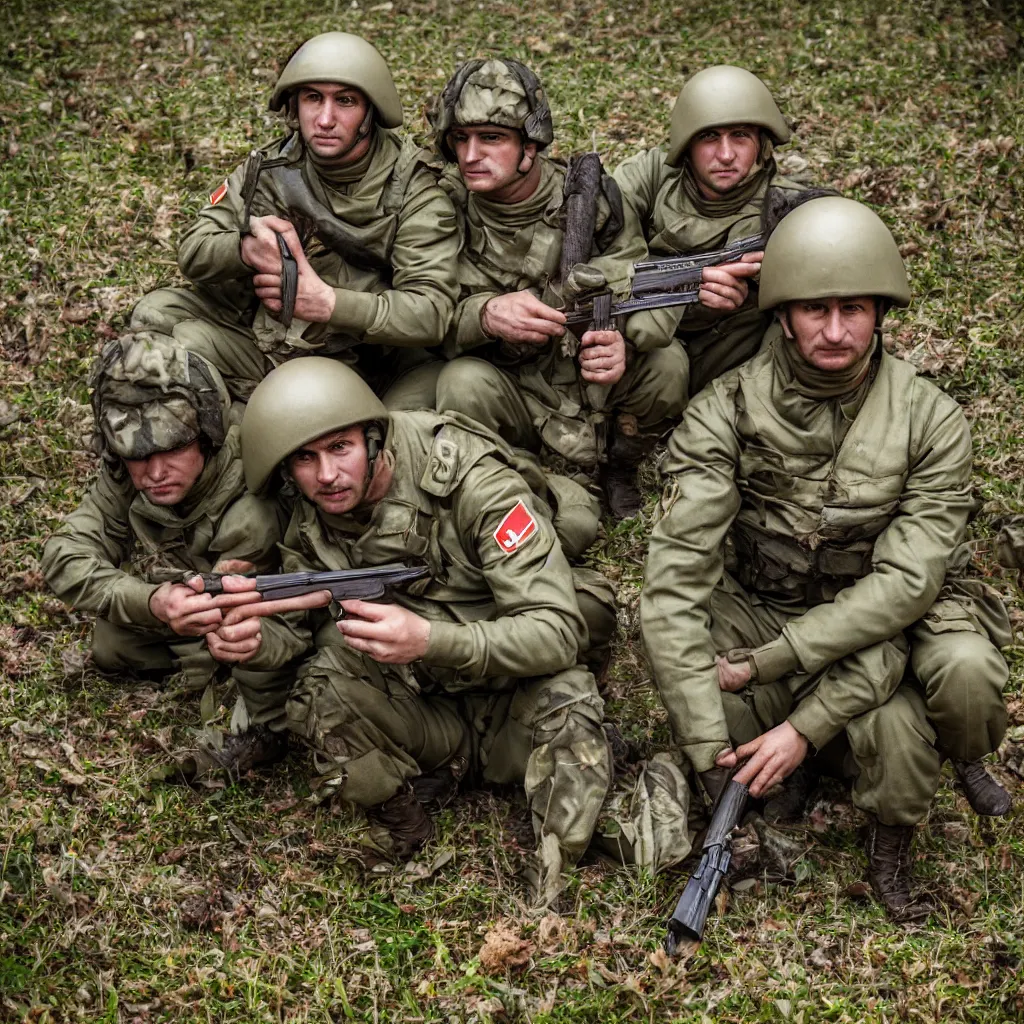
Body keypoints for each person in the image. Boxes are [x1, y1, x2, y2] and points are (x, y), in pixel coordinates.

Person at [640, 197, 1011, 923]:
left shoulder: (931, 418)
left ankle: (940, 765)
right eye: (815, 310)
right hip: (764, 592)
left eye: (854, 309)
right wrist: (715, 752)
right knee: (704, 693)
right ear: (780, 314)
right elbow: (674, 580)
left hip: (892, 603)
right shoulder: (727, 409)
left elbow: (906, 586)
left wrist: (774, 665)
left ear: (881, 312)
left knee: (957, 685)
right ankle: (806, 757)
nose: (835, 331)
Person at [131, 32, 459, 406]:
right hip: (271, 332)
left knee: (193, 345)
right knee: (154, 313)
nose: (324, 119)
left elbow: (431, 313)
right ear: (294, 103)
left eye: (346, 101)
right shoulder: (272, 167)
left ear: (372, 111)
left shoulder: (413, 188)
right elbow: (193, 250)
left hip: (362, 359)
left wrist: (330, 303)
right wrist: (247, 249)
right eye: (313, 98)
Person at [428, 58, 689, 517]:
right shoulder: (439, 202)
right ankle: (511, 473)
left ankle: (619, 466)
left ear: (530, 145)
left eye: (491, 138)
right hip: (507, 377)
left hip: (581, 371)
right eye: (460, 139)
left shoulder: (589, 199)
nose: (471, 155)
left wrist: (618, 338)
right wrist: (484, 314)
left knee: (667, 365)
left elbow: (634, 272)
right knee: (460, 383)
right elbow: (419, 306)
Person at [41, 332, 300, 771]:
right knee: (112, 644)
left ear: (206, 433)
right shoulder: (128, 471)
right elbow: (62, 554)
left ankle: (260, 715)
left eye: (173, 447)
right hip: (187, 599)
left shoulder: (251, 481)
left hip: (267, 619)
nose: (155, 471)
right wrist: (152, 601)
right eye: (135, 453)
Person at [615, 65, 809, 397]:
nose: (725, 154)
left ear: (762, 143)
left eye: (740, 136)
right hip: (645, 350)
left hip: (735, 354)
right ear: (686, 145)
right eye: (709, 137)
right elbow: (596, 257)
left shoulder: (787, 208)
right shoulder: (649, 178)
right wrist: (685, 283)